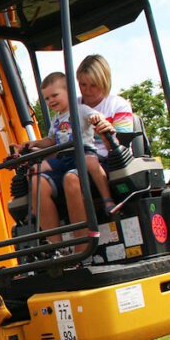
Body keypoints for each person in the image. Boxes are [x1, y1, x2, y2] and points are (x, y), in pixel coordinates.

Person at [20, 72, 114, 250]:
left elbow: (97, 117)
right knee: (34, 175)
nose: (51, 101)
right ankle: (55, 247)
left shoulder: (81, 109)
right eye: (47, 98)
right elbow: (52, 141)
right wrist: (33, 143)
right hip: (63, 158)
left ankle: (82, 243)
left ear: (69, 91)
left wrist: (98, 120)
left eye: (54, 95)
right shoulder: (56, 119)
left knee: (71, 178)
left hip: (81, 154)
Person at [76, 54, 135, 158]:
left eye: (93, 85)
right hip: (76, 160)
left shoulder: (118, 106)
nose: (87, 90)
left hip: (111, 162)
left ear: (105, 83)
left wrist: (107, 135)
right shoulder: (72, 107)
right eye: (83, 84)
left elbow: (122, 148)